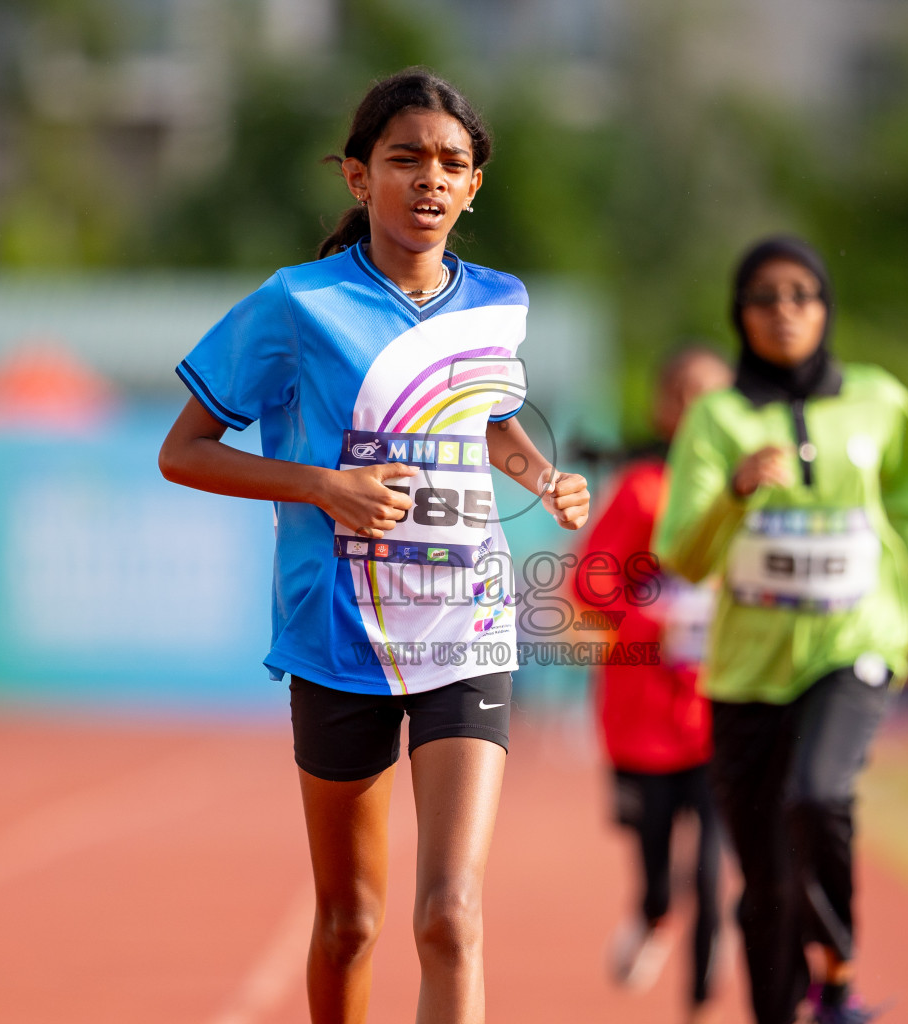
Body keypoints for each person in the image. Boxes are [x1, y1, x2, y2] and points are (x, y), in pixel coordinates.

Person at [158, 68, 590, 1024]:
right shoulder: (296, 304)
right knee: (351, 919)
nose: (429, 180)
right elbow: (181, 452)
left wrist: (539, 476)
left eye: (452, 163)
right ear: (358, 178)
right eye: (405, 160)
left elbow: (486, 420)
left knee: (450, 915)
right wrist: (323, 486)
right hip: (340, 635)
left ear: (475, 186)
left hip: (467, 625)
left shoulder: (500, 301)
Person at [653, 236, 908, 1024]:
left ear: (825, 307)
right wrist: (734, 488)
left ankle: (838, 973)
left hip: (856, 639)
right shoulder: (717, 418)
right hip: (748, 670)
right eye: (765, 296)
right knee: (765, 886)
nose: (784, 311)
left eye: (802, 294)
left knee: (818, 795)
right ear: (739, 313)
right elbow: (681, 554)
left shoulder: (880, 401)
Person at [574, 347, 732, 1023]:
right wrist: (654, 622)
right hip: (643, 717)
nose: (700, 408)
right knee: (664, 877)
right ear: (664, 408)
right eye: (687, 394)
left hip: (725, 711)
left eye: (715, 395)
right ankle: (652, 913)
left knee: (714, 873)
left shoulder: (751, 498)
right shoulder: (642, 491)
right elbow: (590, 583)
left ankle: (699, 1002)